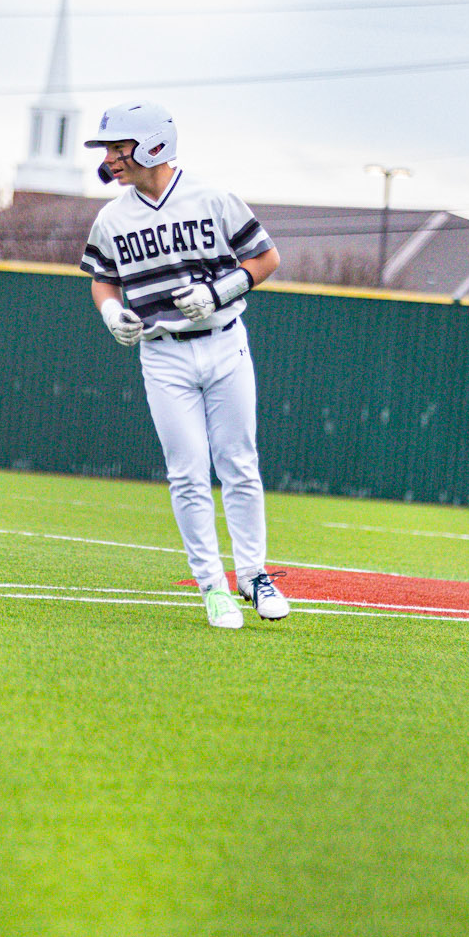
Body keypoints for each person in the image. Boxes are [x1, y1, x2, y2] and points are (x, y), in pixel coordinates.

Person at [80, 100, 289, 630]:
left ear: (154, 143)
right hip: (162, 353)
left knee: (239, 462)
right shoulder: (111, 218)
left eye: (119, 146)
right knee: (188, 472)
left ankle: (254, 574)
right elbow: (102, 279)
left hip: (224, 342)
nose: (110, 158)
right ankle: (212, 586)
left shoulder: (212, 197)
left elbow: (265, 259)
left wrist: (219, 292)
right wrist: (110, 312)